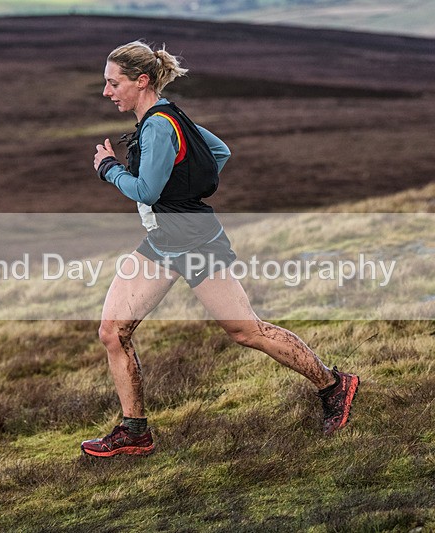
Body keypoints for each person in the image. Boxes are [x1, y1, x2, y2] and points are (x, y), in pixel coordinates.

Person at [82, 41, 358, 458]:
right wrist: (186, 187)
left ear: (141, 81)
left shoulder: (159, 125)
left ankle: (335, 386)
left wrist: (109, 169)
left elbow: (146, 190)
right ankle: (134, 431)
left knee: (246, 330)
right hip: (163, 240)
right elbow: (218, 152)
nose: (107, 92)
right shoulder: (167, 117)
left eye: (113, 83)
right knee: (112, 332)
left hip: (193, 240)